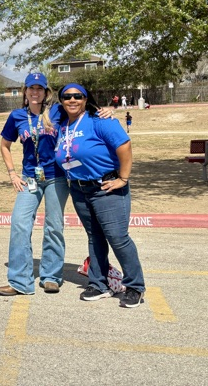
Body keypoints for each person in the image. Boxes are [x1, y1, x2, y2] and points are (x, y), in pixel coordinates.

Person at [55, 83, 145, 308]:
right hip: (79, 188)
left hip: (107, 187)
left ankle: (135, 286)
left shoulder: (101, 121)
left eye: (78, 96)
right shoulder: (62, 125)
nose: (72, 100)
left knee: (117, 238)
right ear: (61, 101)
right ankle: (99, 283)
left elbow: (124, 145)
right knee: (94, 236)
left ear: (86, 99)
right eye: (67, 97)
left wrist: (123, 178)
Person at [0, 73, 73, 297]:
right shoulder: (17, 116)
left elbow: (83, 110)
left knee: (54, 226)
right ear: (25, 92)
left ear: (46, 92)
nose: (35, 92)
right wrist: (12, 174)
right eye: (31, 88)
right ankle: (20, 281)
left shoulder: (57, 111)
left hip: (56, 177)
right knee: (20, 224)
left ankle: (51, 276)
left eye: (40, 88)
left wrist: (105, 112)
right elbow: (4, 146)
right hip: (29, 178)